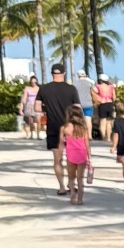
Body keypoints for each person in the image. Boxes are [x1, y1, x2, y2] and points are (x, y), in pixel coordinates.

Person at [36, 64, 83, 195]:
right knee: (72, 159)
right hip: (70, 127)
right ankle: (71, 184)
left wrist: (48, 108)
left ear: (52, 74)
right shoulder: (71, 89)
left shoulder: (44, 89)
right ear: (64, 73)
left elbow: (37, 108)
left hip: (53, 127)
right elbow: (78, 108)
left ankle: (61, 187)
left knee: (57, 160)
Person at [59, 109, 91, 204]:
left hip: (70, 154)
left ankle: (72, 195)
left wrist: (60, 155)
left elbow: (61, 144)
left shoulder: (64, 128)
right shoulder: (83, 129)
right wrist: (89, 157)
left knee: (71, 178)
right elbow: (87, 145)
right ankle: (80, 199)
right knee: (80, 179)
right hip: (82, 154)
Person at [93, 76, 117, 141]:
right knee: (109, 122)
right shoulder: (111, 87)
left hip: (102, 104)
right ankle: (108, 138)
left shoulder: (98, 86)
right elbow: (114, 97)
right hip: (110, 104)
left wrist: (97, 101)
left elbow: (93, 93)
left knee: (102, 122)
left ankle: (103, 137)